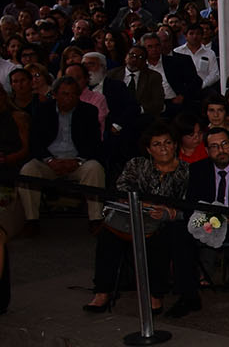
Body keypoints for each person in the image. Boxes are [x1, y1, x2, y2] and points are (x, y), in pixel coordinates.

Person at [84, 122, 189, 315]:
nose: (163, 148)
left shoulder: (187, 171)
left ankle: (155, 294)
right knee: (107, 235)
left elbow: (189, 205)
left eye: (167, 142)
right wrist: (144, 205)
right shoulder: (137, 164)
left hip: (165, 222)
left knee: (161, 238)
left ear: (175, 145)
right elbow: (122, 188)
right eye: (157, 144)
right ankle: (102, 291)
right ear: (149, 149)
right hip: (132, 215)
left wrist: (168, 212)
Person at [171, 127, 229, 320]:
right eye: (214, 147)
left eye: (224, 144)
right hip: (208, 220)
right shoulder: (198, 169)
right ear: (207, 151)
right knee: (178, 233)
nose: (220, 150)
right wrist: (213, 219)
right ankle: (189, 297)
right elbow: (191, 206)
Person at [18, 76, 105, 235]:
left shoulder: (88, 111)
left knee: (95, 168)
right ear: (55, 94)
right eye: (65, 94)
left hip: (78, 162)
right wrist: (50, 161)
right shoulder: (43, 110)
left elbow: (94, 143)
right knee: (28, 170)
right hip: (49, 162)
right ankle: (31, 220)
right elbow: (35, 142)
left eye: (73, 94)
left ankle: (96, 219)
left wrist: (78, 161)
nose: (69, 98)